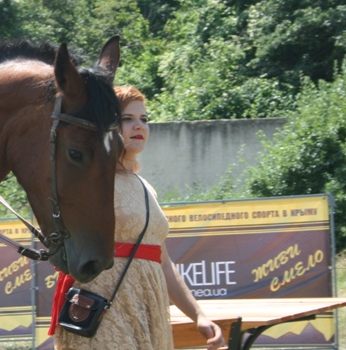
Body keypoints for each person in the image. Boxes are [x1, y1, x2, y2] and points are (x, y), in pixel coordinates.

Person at [49, 85, 225, 350]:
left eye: (144, 119)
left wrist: (198, 315)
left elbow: (163, 263)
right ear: (106, 127)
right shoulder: (87, 181)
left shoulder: (146, 187)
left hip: (148, 307)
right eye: (127, 119)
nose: (139, 125)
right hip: (102, 304)